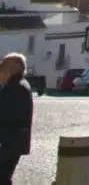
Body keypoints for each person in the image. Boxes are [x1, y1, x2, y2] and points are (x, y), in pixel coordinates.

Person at [0, 52, 33, 184]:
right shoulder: (18, 85)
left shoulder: (15, 88)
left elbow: (5, 117)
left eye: (3, 66)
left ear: (11, 70)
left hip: (9, 144)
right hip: (13, 143)